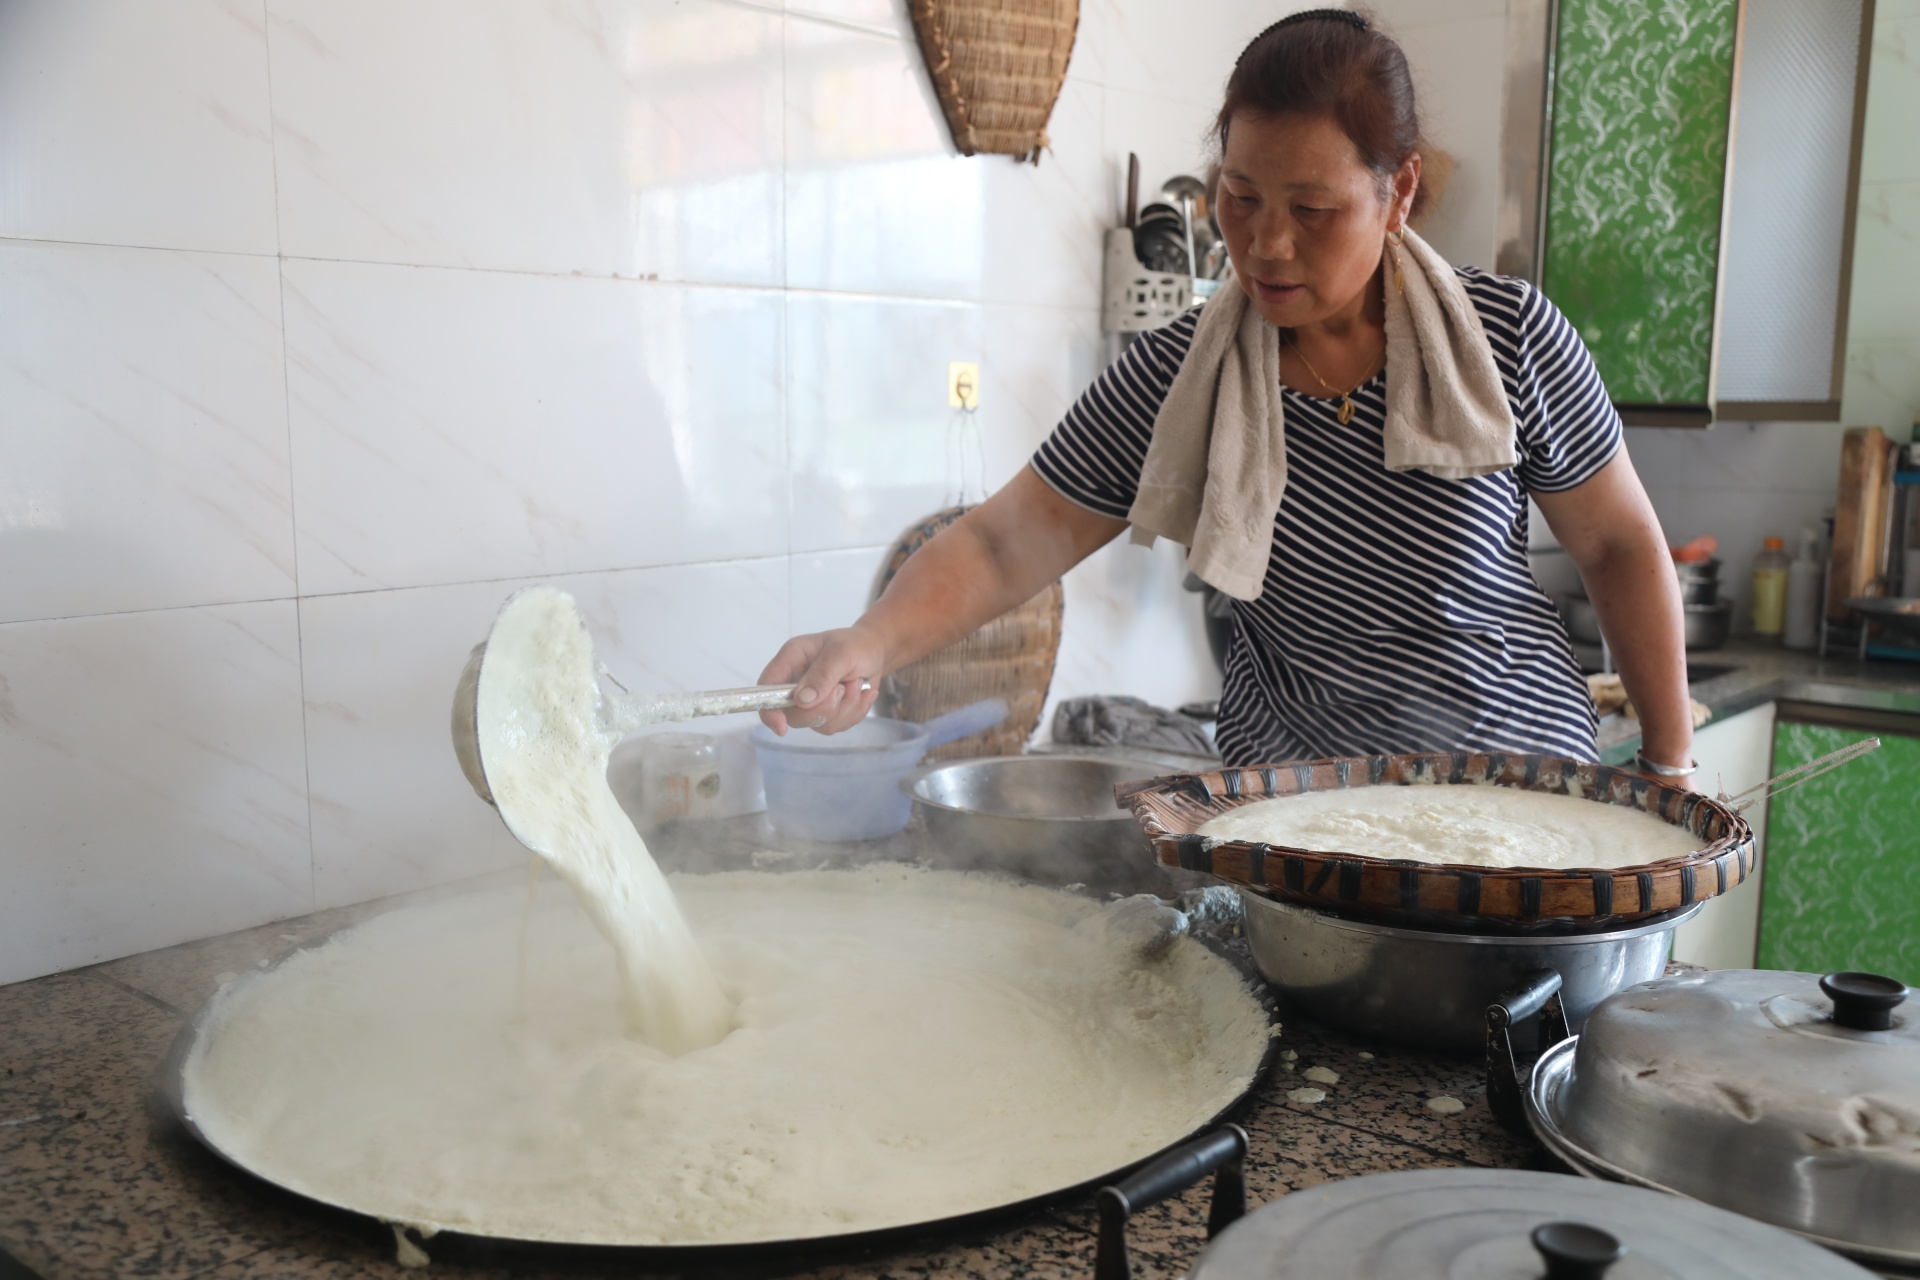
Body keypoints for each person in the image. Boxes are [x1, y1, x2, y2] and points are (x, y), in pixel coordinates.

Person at [759, 9, 1698, 787]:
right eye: (1241, 198)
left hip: (1519, 801)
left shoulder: (1507, 338)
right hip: (1298, 826)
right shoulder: (1184, 379)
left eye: (1313, 210)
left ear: (1398, 191)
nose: (1268, 245)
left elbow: (1618, 545)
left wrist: (1668, 766)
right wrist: (872, 640)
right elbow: (1009, 540)